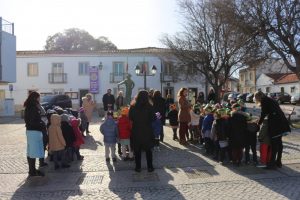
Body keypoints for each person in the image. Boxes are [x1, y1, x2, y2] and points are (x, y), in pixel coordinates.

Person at [255, 91, 291, 169]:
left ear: (257, 97)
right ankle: (278, 162)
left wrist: (258, 123)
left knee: (274, 144)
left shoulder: (264, 101)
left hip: (276, 124)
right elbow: (268, 111)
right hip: (282, 122)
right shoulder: (269, 99)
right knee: (279, 143)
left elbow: (263, 113)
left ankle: (272, 164)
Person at [129, 90, 155, 173]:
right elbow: (153, 118)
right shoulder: (150, 107)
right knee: (148, 150)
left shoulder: (133, 107)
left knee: (137, 150)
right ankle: (150, 167)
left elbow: (130, 117)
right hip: (147, 130)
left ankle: (138, 167)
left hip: (136, 130)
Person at [23, 91, 47, 176]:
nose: (39, 99)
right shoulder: (33, 107)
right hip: (34, 131)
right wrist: (42, 125)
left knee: (30, 152)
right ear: (35, 98)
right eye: (38, 97)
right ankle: (32, 171)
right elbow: (33, 121)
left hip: (31, 131)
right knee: (32, 152)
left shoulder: (30, 106)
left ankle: (32, 170)